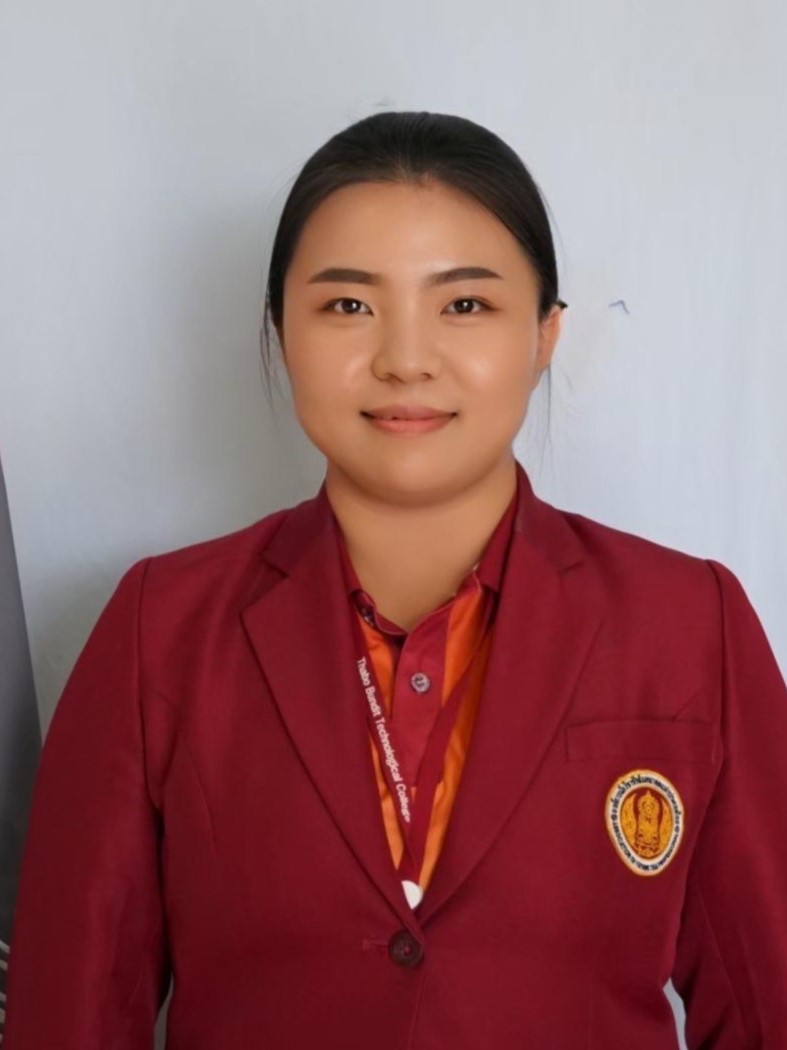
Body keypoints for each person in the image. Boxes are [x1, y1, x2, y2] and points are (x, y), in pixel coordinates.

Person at [4, 110, 787, 1049]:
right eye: (347, 306)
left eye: (465, 306)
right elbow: (71, 1017)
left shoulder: (687, 624)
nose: (404, 359)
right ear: (279, 331)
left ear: (545, 333)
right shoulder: (161, 629)